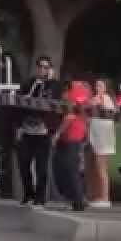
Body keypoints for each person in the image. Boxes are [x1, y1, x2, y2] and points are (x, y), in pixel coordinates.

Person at [15, 56, 62, 207]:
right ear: (36, 68)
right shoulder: (29, 84)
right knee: (24, 164)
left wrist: (49, 81)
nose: (43, 69)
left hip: (43, 131)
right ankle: (28, 193)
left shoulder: (52, 86)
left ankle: (40, 197)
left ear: (50, 70)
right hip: (27, 130)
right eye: (40, 67)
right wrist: (18, 127)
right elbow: (19, 103)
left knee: (41, 167)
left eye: (46, 67)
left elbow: (53, 98)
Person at [52, 81, 89, 212]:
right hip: (77, 135)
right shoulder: (83, 95)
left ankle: (77, 200)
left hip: (70, 137)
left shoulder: (72, 95)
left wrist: (57, 133)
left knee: (69, 169)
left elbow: (69, 117)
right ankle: (77, 199)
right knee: (72, 169)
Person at [86, 79, 117, 208]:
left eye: (100, 85)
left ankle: (105, 197)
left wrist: (98, 102)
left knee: (101, 167)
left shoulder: (106, 99)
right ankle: (96, 195)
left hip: (104, 137)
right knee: (94, 168)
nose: (97, 87)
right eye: (96, 85)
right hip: (95, 135)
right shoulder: (94, 98)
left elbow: (109, 112)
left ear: (106, 88)